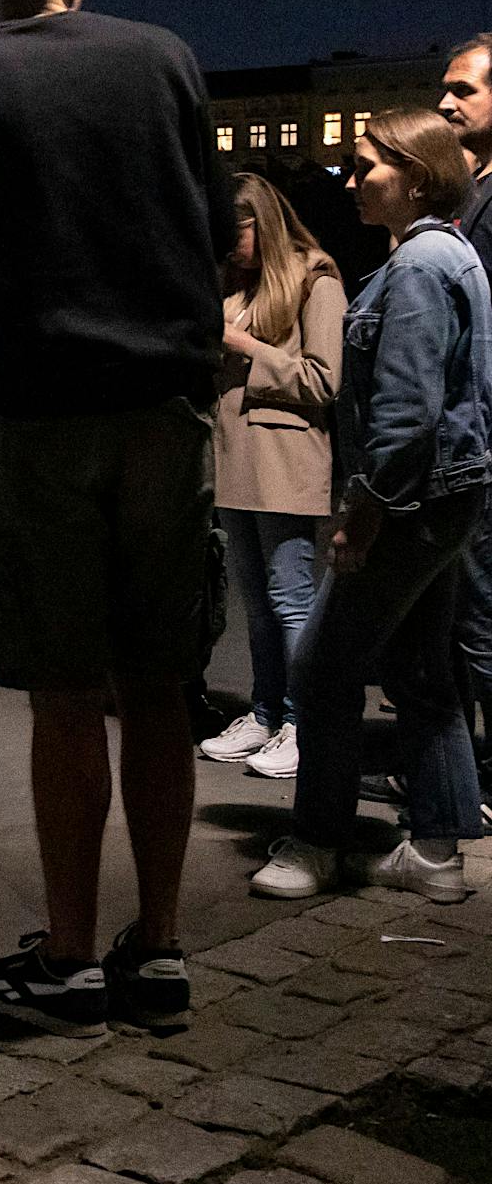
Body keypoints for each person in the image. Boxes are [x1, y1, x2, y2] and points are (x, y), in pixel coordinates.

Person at [0, 0, 235, 1037]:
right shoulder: (167, 60)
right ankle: (163, 943)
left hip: (44, 412)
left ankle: (73, 953)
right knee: (158, 687)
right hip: (165, 408)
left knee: (66, 693)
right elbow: (212, 224)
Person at [251, 110, 491, 904]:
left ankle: (319, 841)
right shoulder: (447, 255)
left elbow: (407, 411)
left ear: (415, 174)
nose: (350, 182)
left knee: (321, 669)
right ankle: (435, 851)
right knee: (423, 671)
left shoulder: (421, 266)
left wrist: (364, 510)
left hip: (414, 501)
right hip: (446, 498)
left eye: (365, 168)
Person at [196, 173, 344, 781]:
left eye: (237, 230)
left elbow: (323, 379)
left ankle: (302, 723)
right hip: (234, 464)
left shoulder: (317, 279)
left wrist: (243, 347)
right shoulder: (236, 284)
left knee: (290, 600)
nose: (229, 243)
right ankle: (264, 713)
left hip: (287, 466)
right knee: (258, 605)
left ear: (265, 221)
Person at [438, 35, 492, 819]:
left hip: (481, 439)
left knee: (482, 616)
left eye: (463, 90)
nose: (444, 102)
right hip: (459, 442)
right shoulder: (463, 193)